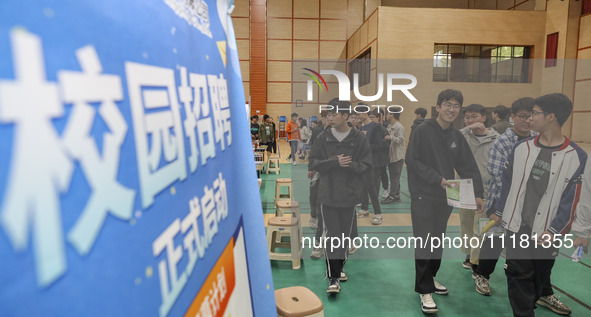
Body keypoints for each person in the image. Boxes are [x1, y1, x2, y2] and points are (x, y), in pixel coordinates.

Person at [492, 93, 586, 317]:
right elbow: (508, 183)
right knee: (517, 276)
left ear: (551, 116)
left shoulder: (576, 156)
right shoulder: (521, 149)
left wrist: (555, 231)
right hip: (517, 227)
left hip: (547, 233)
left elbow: (572, 200)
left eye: (535, 113)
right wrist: (498, 210)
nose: (530, 118)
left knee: (538, 279)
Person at [405, 89, 484, 314]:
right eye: (447, 104)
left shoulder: (456, 136)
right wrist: (436, 179)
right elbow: (412, 160)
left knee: (437, 240)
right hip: (422, 195)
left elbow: (468, 165)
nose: (451, 109)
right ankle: (424, 289)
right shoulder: (422, 131)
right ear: (438, 107)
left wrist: (477, 193)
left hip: (447, 196)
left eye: (456, 106)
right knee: (424, 241)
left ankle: (430, 278)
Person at [309, 98, 372, 294]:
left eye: (334, 114)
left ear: (346, 115)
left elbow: (367, 165)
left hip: (349, 196)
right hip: (328, 195)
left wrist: (350, 165)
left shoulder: (358, 138)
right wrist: (334, 161)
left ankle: (340, 266)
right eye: (328, 114)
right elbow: (314, 163)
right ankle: (333, 277)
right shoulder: (322, 137)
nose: (330, 117)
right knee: (332, 236)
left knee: (344, 237)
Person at [457, 104, 499, 278]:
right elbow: (448, 139)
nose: (470, 121)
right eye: (467, 117)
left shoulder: (497, 138)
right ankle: (470, 255)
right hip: (462, 188)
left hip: (486, 191)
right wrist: (467, 128)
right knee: (465, 225)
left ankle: (476, 263)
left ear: (484, 117)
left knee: (480, 228)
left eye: (474, 116)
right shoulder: (463, 136)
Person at [357, 107, 388, 225]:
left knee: (373, 188)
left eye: (359, 112)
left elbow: (380, 145)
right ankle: (364, 209)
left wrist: (365, 147)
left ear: (365, 112)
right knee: (363, 186)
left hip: (374, 163)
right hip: (364, 162)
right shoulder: (363, 127)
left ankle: (378, 214)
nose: (358, 115)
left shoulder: (375, 127)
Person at [382, 109, 405, 204]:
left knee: (394, 178)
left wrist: (390, 137)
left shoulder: (399, 127)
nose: (387, 115)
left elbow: (401, 139)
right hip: (391, 155)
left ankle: (392, 196)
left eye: (388, 113)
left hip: (397, 156)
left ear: (392, 115)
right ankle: (396, 195)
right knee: (394, 177)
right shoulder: (389, 126)